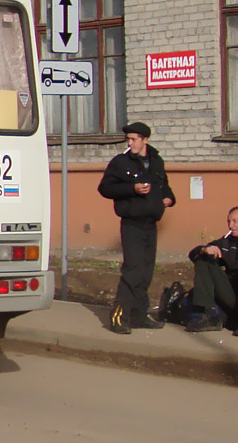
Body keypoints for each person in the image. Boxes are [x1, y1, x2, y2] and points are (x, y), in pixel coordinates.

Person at [97, 121, 175, 334]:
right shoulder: (121, 163)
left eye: (134, 139)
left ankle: (139, 316)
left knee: (146, 271)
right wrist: (132, 188)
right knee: (133, 269)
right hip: (132, 223)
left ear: (145, 140)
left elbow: (164, 185)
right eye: (128, 139)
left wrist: (168, 198)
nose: (130, 143)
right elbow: (105, 188)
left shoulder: (156, 161)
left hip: (151, 223)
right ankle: (119, 317)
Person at [185, 207, 238, 333]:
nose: (231, 226)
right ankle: (208, 314)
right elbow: (193, 254)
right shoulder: (225, 242)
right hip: (230, 293)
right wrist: (205, 250)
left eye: (235, 221)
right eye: (229, 221)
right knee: (204, 259)